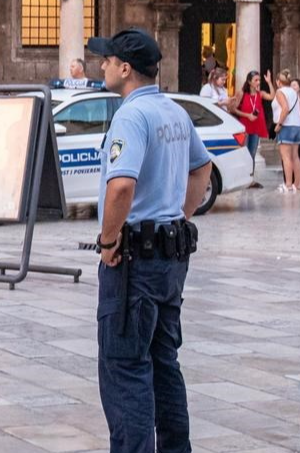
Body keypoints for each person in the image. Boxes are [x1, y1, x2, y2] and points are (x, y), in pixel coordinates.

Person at [86, 29, 213, 453]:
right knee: (164, 364)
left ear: (125, 69)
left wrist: (108, 242)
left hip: (135, 262)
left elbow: (121, 186)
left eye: (107, 60)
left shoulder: (131, 115)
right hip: (169, 257)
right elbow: (202, 170)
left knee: (125, 370)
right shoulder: (174, 111)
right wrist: (177, 216)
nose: (101, 65)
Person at [229, 71, 270, 187]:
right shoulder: (241, 93)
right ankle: (241, 178)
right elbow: (233, 109)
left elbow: (272, 96)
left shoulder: (259, 94)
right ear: (249, 82)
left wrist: (269, 82)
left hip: (255, 127)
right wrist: (247, 115)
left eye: (259, 80)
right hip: (245, 126)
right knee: (243, 152)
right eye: (255, 80)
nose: (258, 82)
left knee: (252, 152)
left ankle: (250, 179)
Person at [271, 70, 300, 193]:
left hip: (286, 125)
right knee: (295, 155)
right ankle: (297, 183)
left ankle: (288, 184)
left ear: (278, 82)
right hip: (297, 125)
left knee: (286, 157)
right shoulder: (294, 92)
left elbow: (285, 108)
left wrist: (279, 124)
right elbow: (298, 109)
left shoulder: (280, 92)